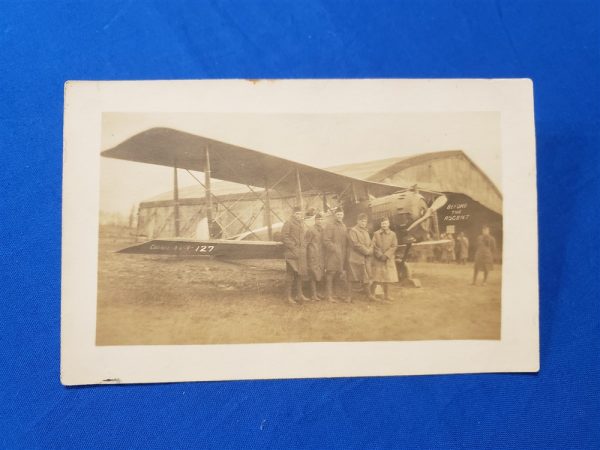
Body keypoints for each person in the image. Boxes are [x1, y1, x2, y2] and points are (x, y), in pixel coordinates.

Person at [281, 206, 309, 304]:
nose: (299, 215)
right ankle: (288, 297)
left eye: (300, 214)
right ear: (293, 214)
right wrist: (293, 247)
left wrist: (304, 245)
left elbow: (304, 237)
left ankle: (299, 295)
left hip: (300, 253)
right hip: (291, 253)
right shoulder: (288, 222)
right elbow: (284, 237)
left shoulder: (301, 223)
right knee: (290, 274)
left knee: (299, 274)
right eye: (297, 214)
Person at [322, 207, 351, 303]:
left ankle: (336, 294)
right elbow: (326, 240)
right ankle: (329, 296)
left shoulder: (343, 225)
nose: (339, 216)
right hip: (332, 254)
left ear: (343, 215)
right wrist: (334, 248)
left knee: (338, 273)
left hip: (341, 255)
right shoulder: (330, 225)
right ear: (335, 215)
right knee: (330, 274)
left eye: (341, 215)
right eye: (338, 214)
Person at [347, 213, 377, 302]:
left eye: (365, 221)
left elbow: (370, 243)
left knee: (365, 277)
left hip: (364, 258)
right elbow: (356, 244)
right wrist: (367, 251)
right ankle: (349, 296)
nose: (363, 223)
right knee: (352, 277)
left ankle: (369, 295)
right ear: (358, 221)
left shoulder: (365, 231)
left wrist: (371, 249)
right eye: (362, 221)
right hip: (355, 258)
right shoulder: (353, 231)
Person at [371, 217, 399, 302]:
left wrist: (386, 255)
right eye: (383, 224)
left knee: (387, 278)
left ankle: (387, 295)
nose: (384, 225)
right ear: (381, 224)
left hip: (387, 259)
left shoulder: (393, 234)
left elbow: (394, 246)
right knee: (376, 278)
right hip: (378, 259)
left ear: (388, 224)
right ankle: (372, 295)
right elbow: (373, 245)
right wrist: (379, 255)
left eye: (386, 223)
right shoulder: (376, 234)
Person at [305, 212, 325, 301]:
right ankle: (313, 294)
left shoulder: (323, 229)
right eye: (318, 219)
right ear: (315, 220)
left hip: (320, 255)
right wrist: (308, 255)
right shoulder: (311, 230)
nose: (320, 221)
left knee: (319, 273)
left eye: (321, 219)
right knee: (313, 274)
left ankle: (318, 293)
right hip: (313, 255)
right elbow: (306, 243)